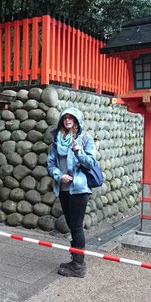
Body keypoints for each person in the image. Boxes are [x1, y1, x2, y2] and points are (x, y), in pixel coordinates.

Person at [47, 107, 97, 278]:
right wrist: (59, 176)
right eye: (65, 118)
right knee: (71, 225)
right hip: (63, 188)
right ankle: (75, 259)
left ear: (76, 120)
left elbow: (91, 163)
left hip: (79, 189)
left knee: (76, 227)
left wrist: (78, 151)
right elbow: (51, 163)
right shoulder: (57, 140)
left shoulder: (85, 138)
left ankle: (78, 265)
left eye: (71, 118)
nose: (68, 120)